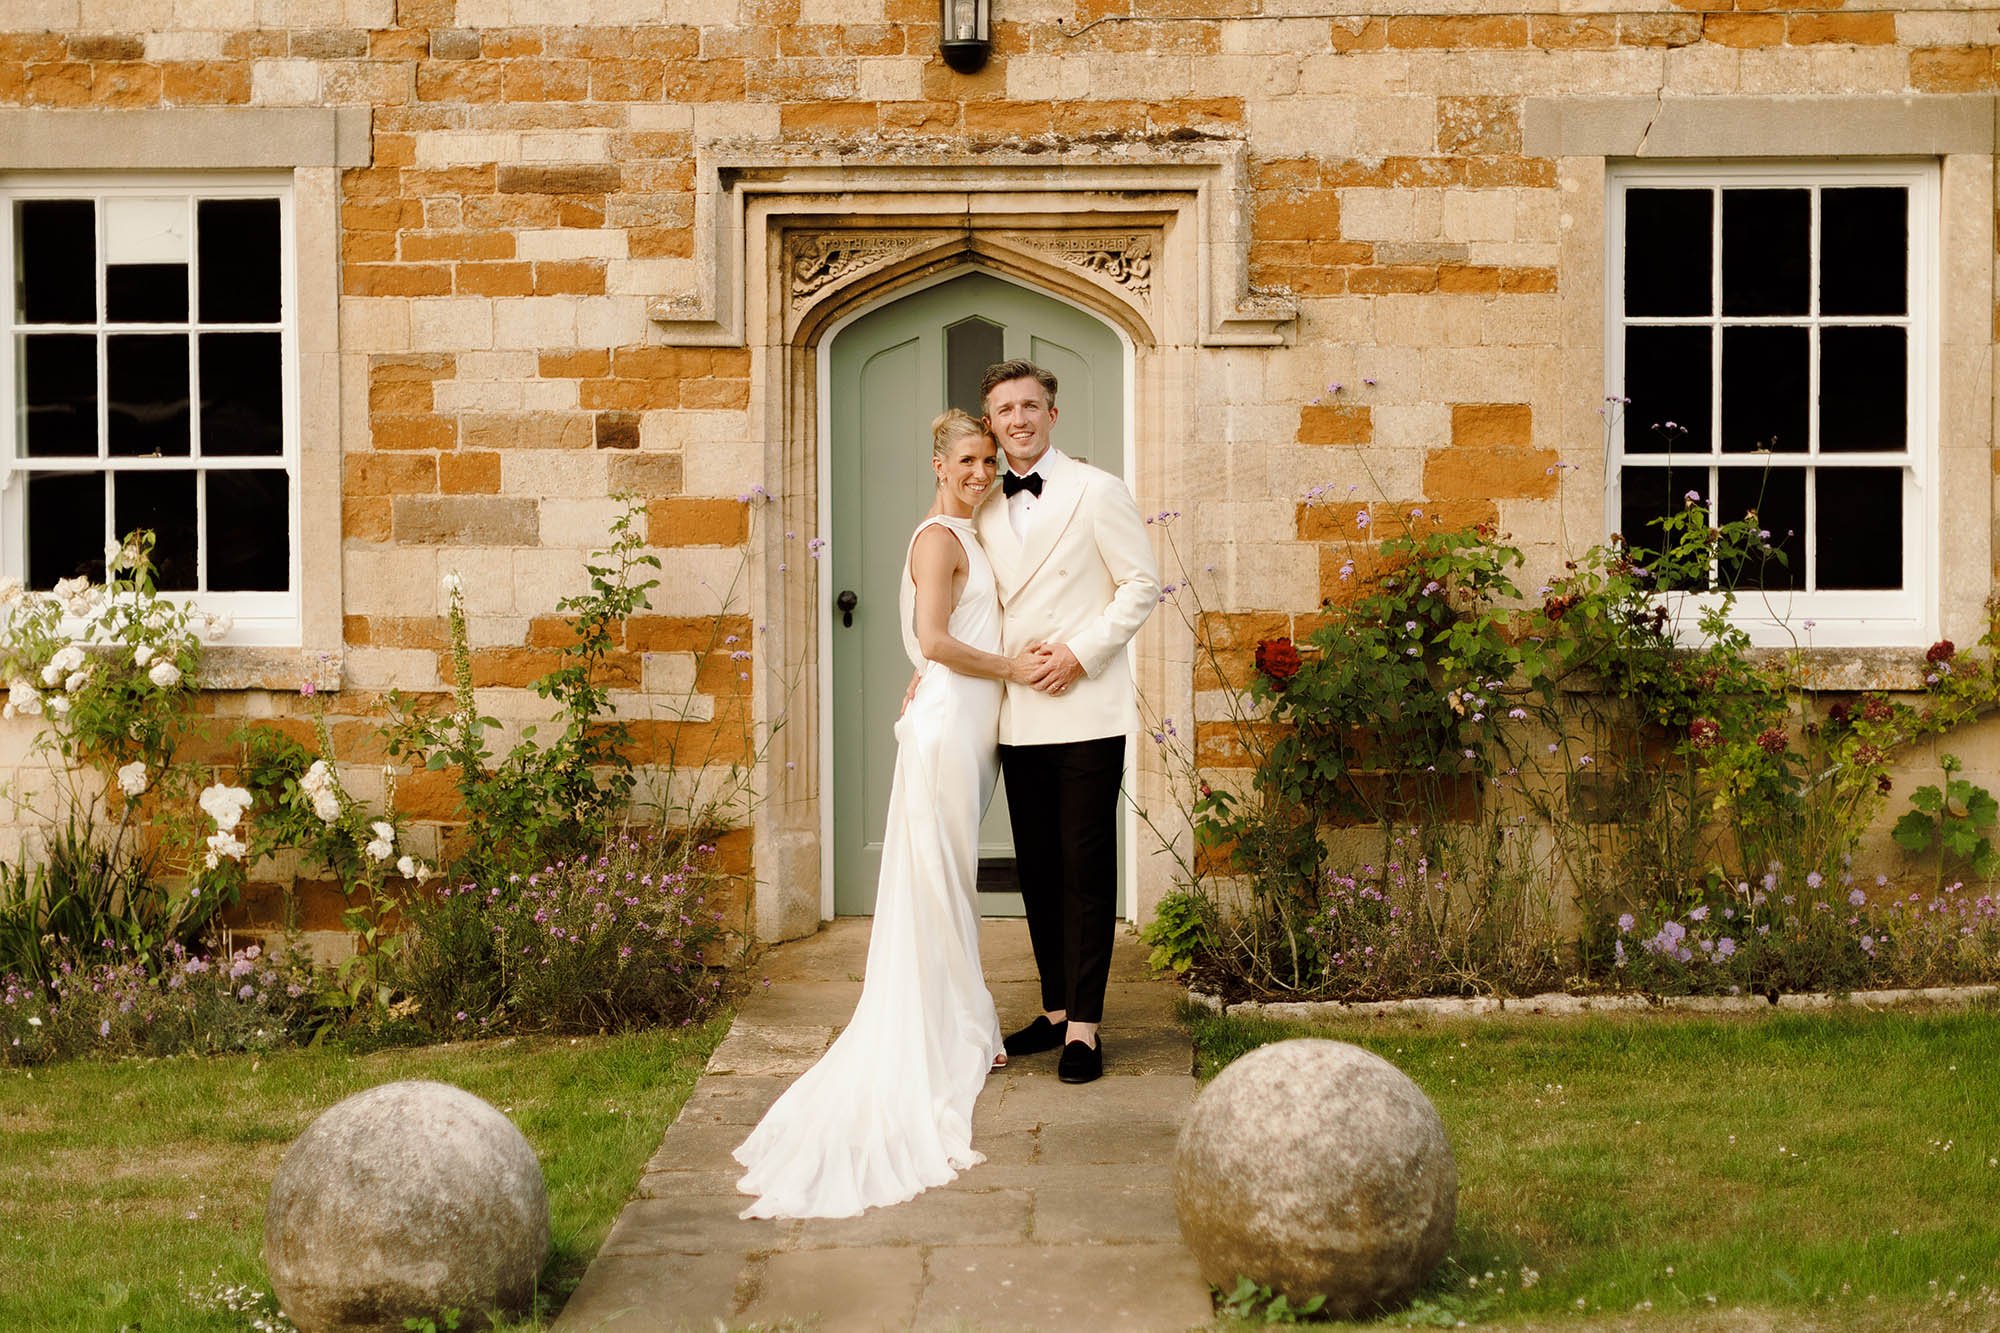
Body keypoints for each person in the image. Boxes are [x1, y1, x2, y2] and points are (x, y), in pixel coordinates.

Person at [733, 410, 1037, 1220]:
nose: (981, 472)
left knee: (948, 875)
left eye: (989, 460)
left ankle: (966, 1021)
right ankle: (959, 1029)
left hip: (966, 724)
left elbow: (945, 635)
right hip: (947, 727)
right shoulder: (937, 538)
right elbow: (934, 639)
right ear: (938, 463)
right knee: (940, 878)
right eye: (967, 459)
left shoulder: (973, 532)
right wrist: (1008, 667)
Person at [974, 359, 1161, 1085]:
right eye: (1004, 410)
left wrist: (1080, 654)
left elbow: (1140, 584)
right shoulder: (983, 506)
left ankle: (1085, 1027)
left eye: (1029, 406)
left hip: (1085, 707)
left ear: (1052, 414)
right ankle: (1054, 1010)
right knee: (1038, 868)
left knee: (1084, 868)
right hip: (1018, 710)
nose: (1018, 419)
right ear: (990, 423)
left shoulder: (1097, 489)